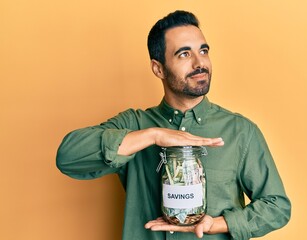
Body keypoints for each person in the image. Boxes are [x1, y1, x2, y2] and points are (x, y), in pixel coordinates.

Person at [56, 10, 291, 240]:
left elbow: (277, 207)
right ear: (158, 68)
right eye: (184, 54)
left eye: (203, 51)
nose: (200, 63)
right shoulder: (134, 124)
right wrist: (153, 136)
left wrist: (219, 224)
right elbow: (68, 156)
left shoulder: (240, 131)